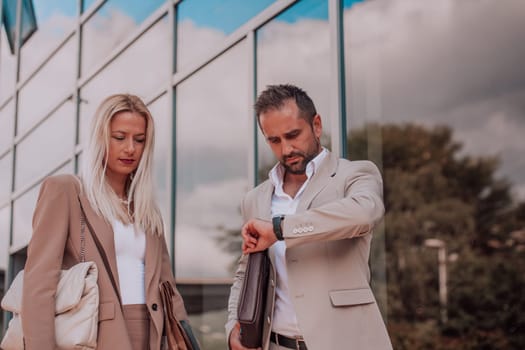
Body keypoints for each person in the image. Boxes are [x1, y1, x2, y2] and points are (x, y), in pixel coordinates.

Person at [21, 94, 195, 350]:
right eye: (119, 137)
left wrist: (187, 338)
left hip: (152, 334)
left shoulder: (147, 209)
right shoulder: (67, 191)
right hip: (95, 335)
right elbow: (39, 284)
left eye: (139, 140)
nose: (130, 148)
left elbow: (167, 288)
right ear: (100, 137)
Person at [226, 84, 393, 350]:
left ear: (316, 125)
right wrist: (233, 325)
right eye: (274, 140)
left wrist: (280, 229)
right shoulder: (255, 199)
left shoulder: (355, 174)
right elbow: (244, 273)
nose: (286, 149)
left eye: (293, 135)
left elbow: (364, 213)